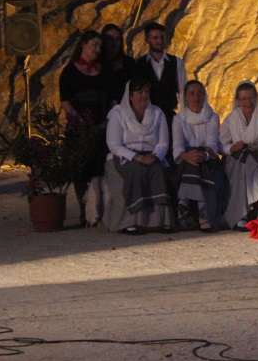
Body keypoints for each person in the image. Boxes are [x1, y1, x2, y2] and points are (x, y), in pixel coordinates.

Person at [101, 78, 175, 234]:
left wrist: (155, 156)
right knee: (136, 170)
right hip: (125, 156)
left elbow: (163, 143)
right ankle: (131, 222)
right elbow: (114, 144)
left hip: (151, 154)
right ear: (130, 95)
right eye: (140, 92)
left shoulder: (157, 113)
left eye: (146, 92)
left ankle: (161, 221)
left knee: (158, 171)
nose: (144, 96)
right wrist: (137, 157)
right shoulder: (118, 114)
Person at [59, 30, 112, 227]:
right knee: (80, 171)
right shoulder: (69, 72)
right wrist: (81, 124)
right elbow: (65, 102)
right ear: (83, 44)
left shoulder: (105, 71)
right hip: (79, 129)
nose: (97, 50)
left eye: (100, 46)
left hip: (101, 127)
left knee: (99, 168)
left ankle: (98, 209)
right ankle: (84, 210)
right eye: (94, 45)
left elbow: (112, 100)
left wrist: (105, 123)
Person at [220, 81, 258, 230]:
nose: (247, 102)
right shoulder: (231, 120)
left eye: (251, 98)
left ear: (256, 98)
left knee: (249, 157)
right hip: (235, 159)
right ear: (237, 100)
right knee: (245, 158)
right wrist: (233, 147)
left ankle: (241, 217)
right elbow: (220, 145)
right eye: (243, 99)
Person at [172, 80, 226, 232]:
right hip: (186, 159)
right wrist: (187, 156)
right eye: (192, 93)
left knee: (197, 164)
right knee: (193, 164)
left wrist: (205, 155)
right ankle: (203, 215)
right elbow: (178, 145)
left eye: (199, 93)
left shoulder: (212, 117)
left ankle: (184, 201)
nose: (196, 97)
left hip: (207, 158)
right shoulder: (178, 119)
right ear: (185, 97)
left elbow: (212, 142)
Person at [135, 21, 188, 137]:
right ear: (147, 40)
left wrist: (184, 118)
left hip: (169, 116)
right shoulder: (138, 64)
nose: (159, 41)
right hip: (146, 117)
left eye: (162, 37)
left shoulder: (176, 63)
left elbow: (183, 91)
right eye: (155, 38)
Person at [101, 23, 136, 103]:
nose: (114, 43)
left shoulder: (129, 63)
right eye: (110, 39)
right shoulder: (98, 63)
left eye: (117, 39)